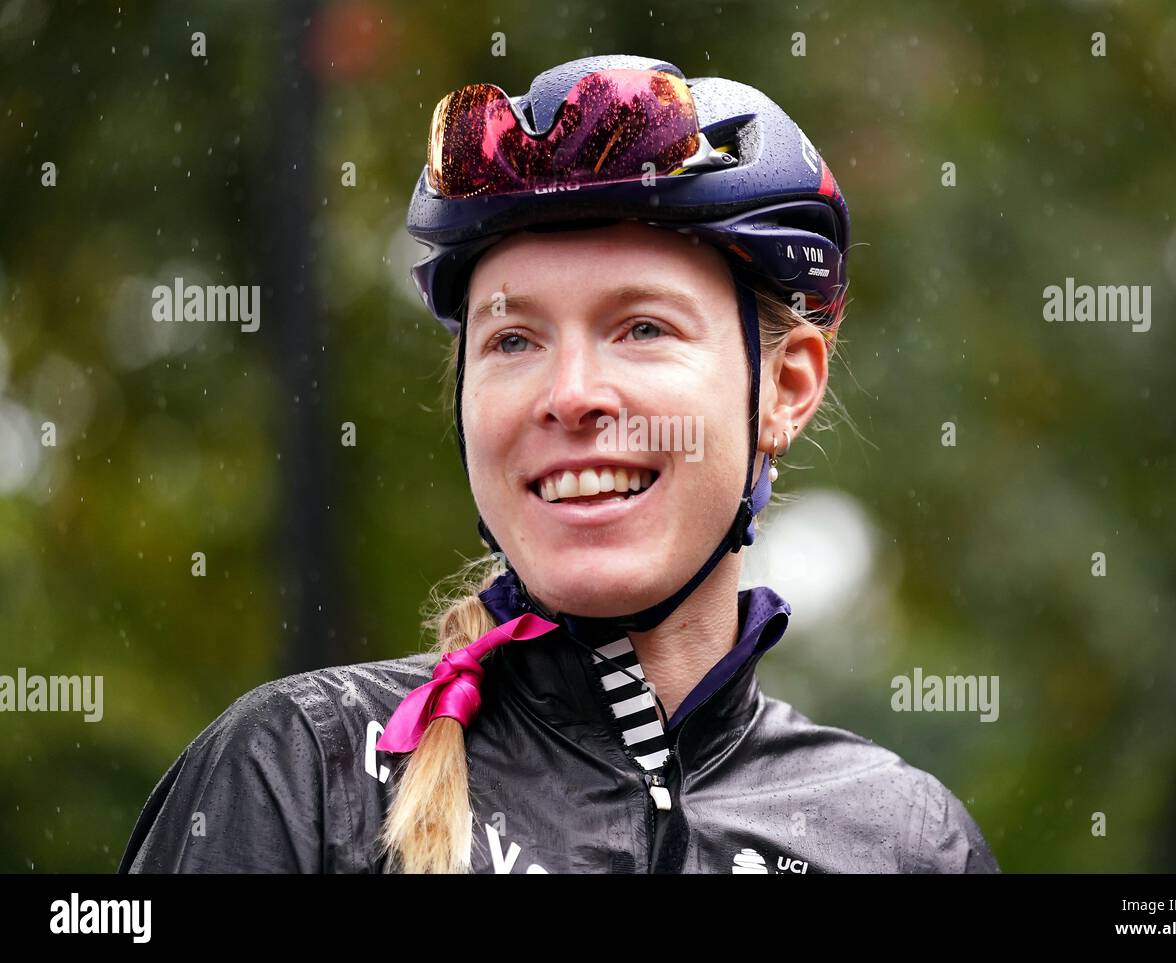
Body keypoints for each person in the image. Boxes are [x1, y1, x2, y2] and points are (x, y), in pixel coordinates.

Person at [119, 54, 999, 874]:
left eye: (643, 327)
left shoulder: (905, 841)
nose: (571, 394)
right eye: (514, 339)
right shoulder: (297, 773)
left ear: (786, 388)